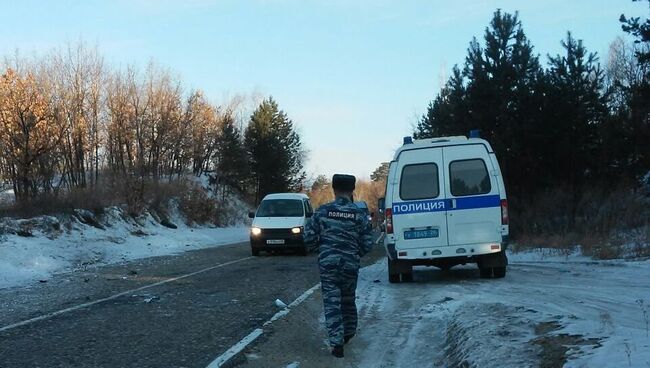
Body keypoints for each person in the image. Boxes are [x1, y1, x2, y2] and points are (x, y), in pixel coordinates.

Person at [304, 174, 374, 358]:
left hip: (329, 264)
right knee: (348, 299)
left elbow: (308, 238)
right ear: (352, 190)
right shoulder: (359, 214)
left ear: (334, 190)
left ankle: (336, 343)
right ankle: (349, 332)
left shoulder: (322, 211)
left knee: (332, 301)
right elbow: (368, 243)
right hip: (350, 264)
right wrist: (354, 253)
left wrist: (322, 250)